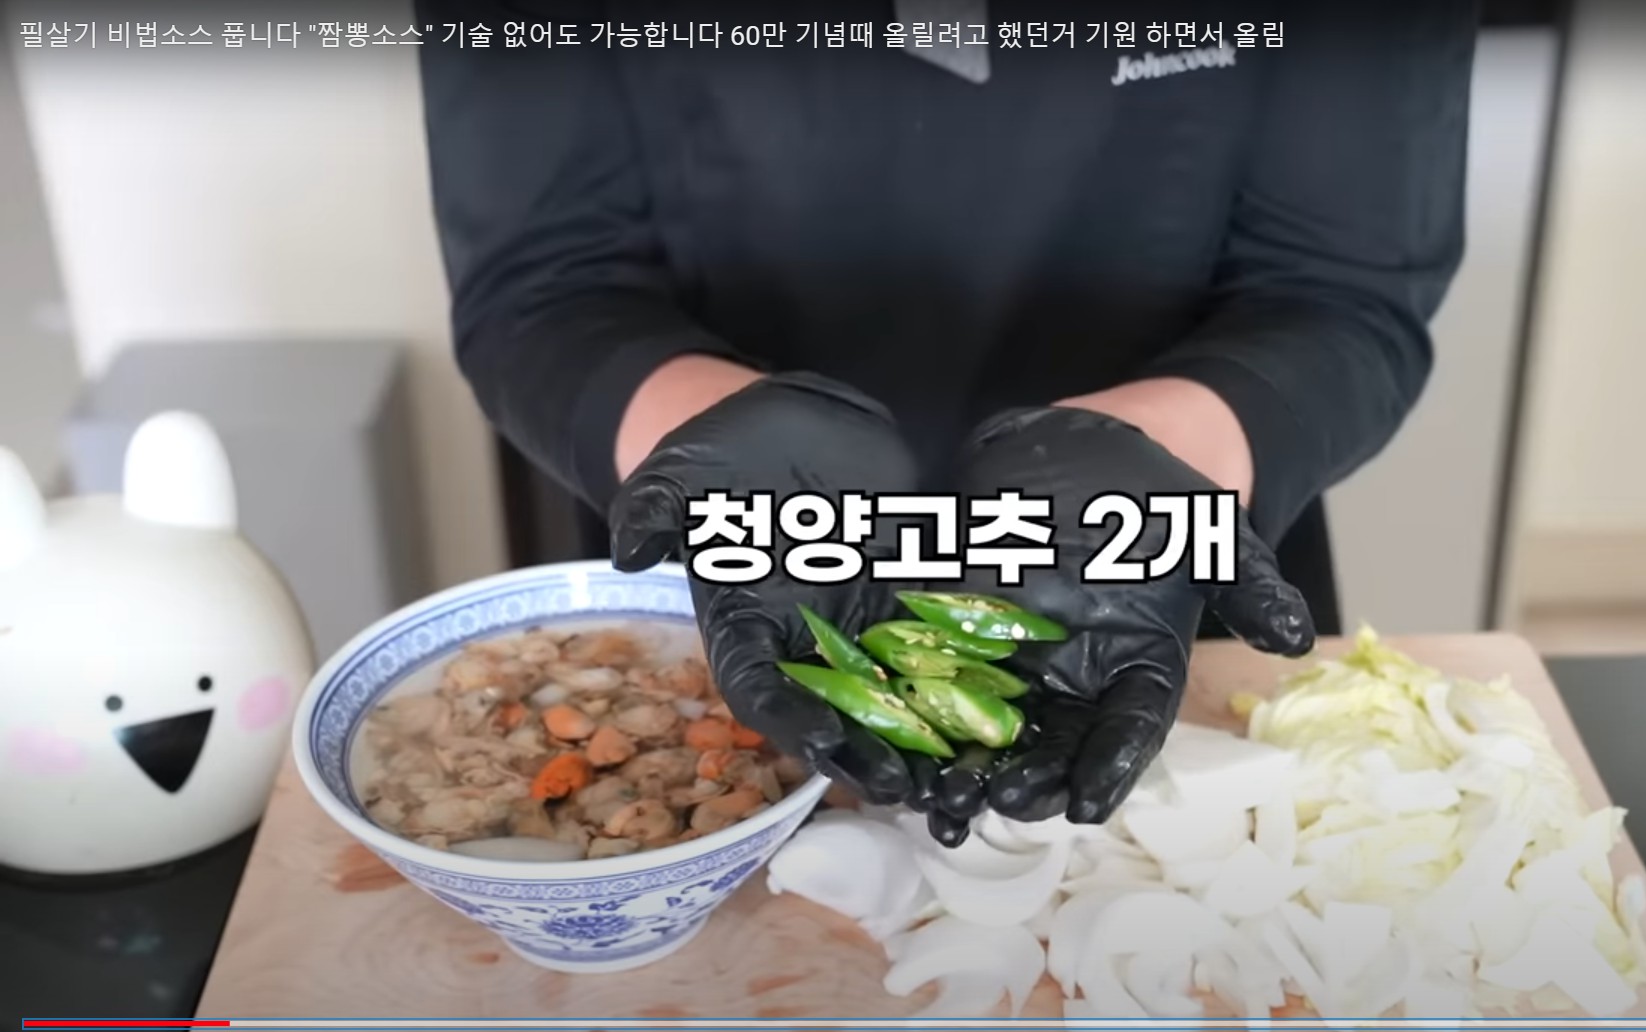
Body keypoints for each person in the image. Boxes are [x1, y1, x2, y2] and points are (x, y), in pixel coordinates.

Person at [418, 0, 1473, 844]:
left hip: (1139, 567)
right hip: (737, 566)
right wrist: (720, 446)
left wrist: (1163, 464)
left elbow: (1340, 287)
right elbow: (545, 281)